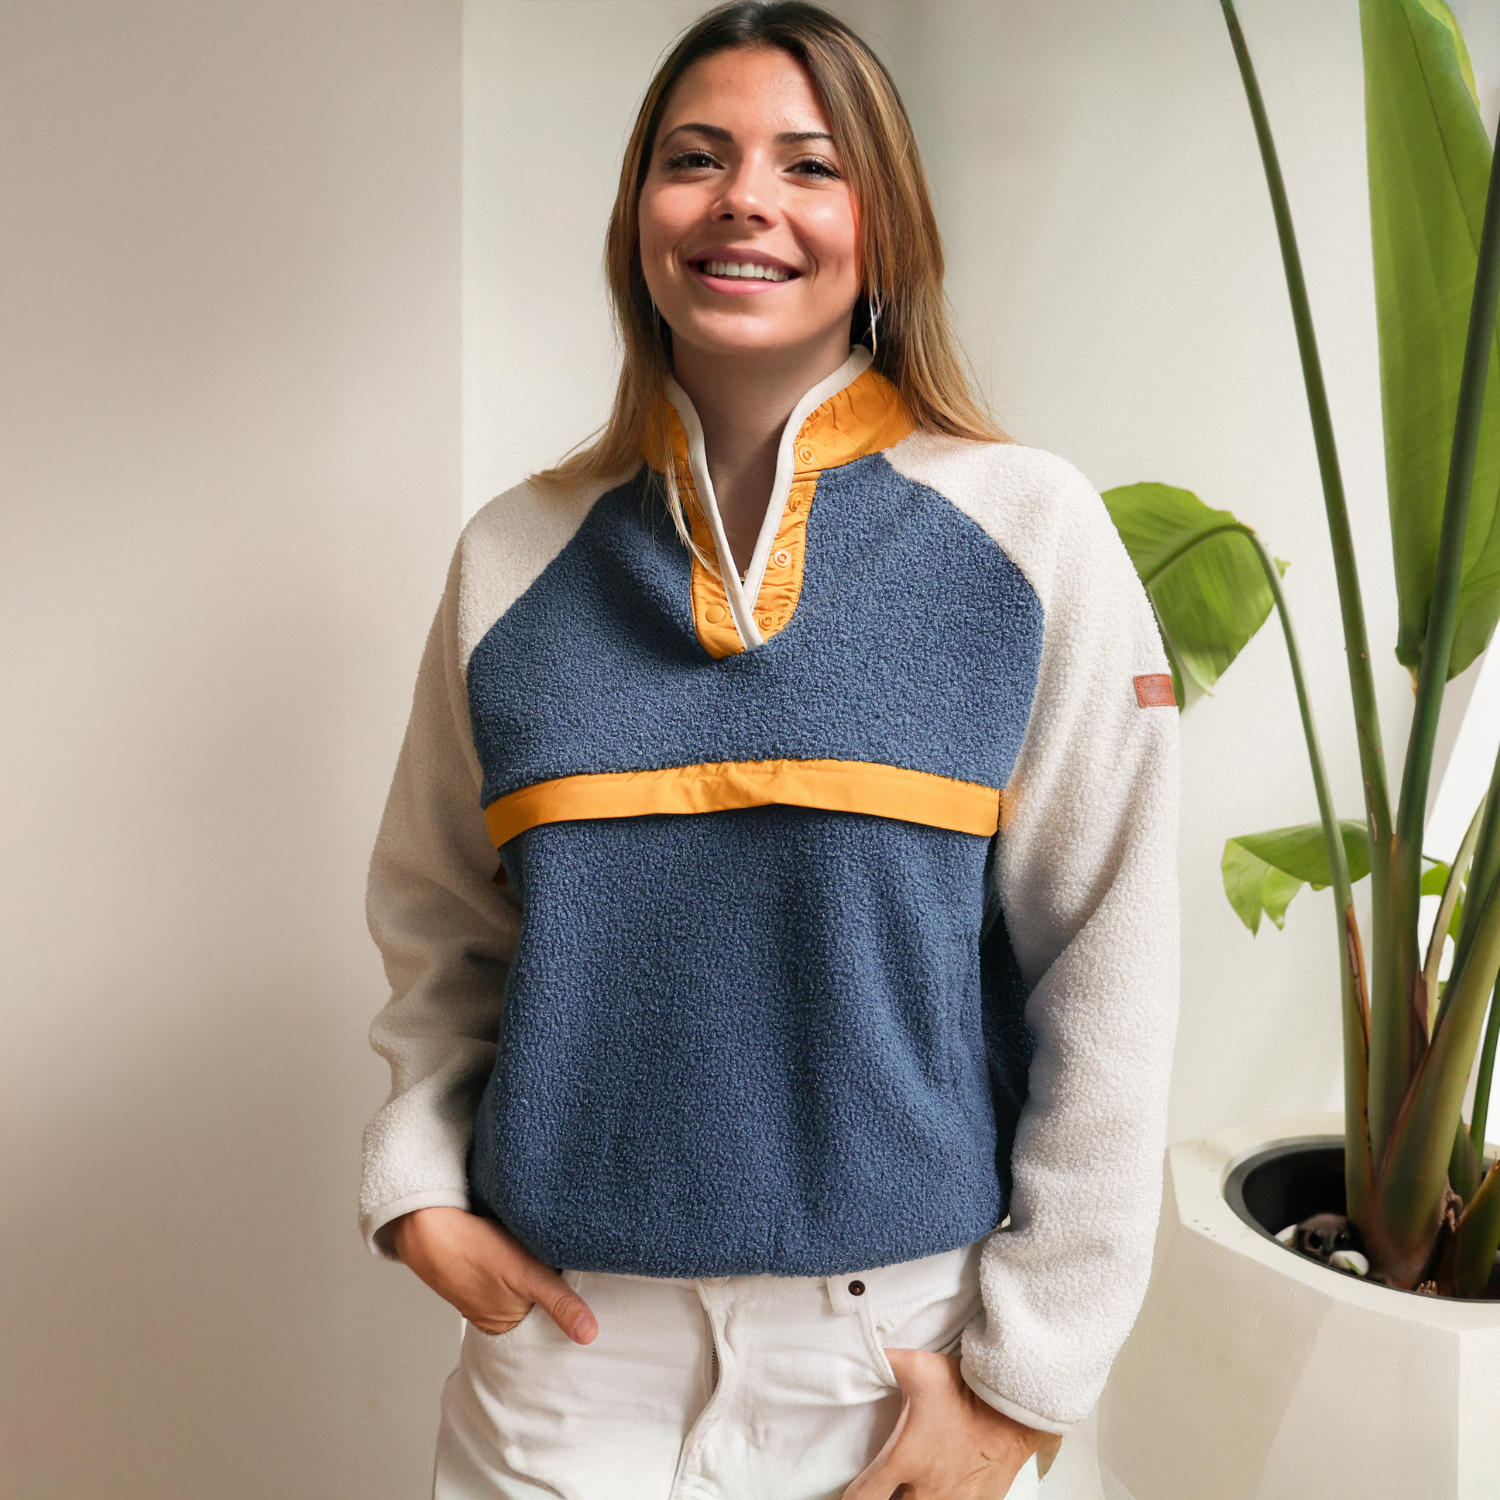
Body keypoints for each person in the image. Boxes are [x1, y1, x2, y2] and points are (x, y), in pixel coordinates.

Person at [359, 4, 1180, 1497]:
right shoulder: (512, 556)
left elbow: (1109, 967)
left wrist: (1026, 1381)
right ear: (639, 219)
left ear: (887, 227)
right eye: (696, 158)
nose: (745, 198)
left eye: (810, 164)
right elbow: (441, 923)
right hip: (563, 1356)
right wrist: (418, 1183)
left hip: (895, 1362)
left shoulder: (1031, 532)